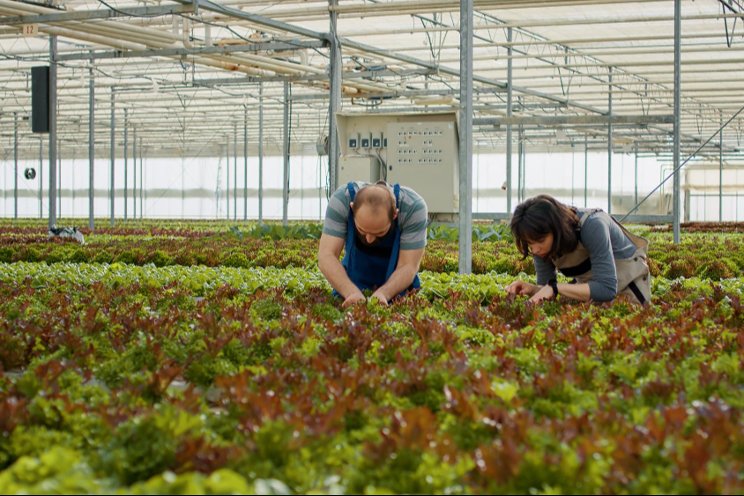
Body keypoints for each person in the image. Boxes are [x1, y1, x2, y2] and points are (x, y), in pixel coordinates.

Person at [506, 194, 651, 305]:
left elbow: (606, 289)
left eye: (540, 241)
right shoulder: (540, 247)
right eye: (529, 243)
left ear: (557, 229)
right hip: (593, 292)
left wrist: (555, 288)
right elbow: (547, 290)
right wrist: (532, 289)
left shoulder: (593, 225)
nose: (535, 250)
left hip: (628, 286)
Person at [318, 180, 428, 307]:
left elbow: (408, 265)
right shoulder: (342, 200)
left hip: (397, 291)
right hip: (351, 285)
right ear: (352, 208)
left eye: (379, 233)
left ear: (395, 215)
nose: (369, 239)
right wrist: (350, 292)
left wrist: (384, 294)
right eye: (361, 230)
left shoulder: (412, 208)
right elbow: (326, 256)